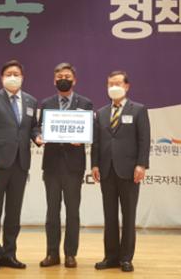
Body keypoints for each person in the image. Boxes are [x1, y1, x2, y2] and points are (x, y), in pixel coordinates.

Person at [0, 59, 42, 271]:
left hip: (20, 164)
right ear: (2, 78)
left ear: (23, 77)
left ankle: (9, 253)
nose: (12, 77)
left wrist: (38, 136)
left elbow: (33, 127)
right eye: (8, 74)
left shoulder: (31, 101)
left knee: (14, 213)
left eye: (16, 74)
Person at [91, 70, 150, 273]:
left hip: (129, 171)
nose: (113, 87)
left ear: (127, 86)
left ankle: (126, 258)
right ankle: (111, 257)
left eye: (117, 83)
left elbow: (144, 139)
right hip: (106, 170)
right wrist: (94, 164)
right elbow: (96, 142)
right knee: (109, 216)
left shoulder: (138, 110)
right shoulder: (101, 113)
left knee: (128, 215)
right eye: (110, 84)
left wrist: (141, 164)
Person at [37, 62, 93, 268]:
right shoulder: (46, 103)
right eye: (60, 76)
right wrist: (38, 137)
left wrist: (84, 138)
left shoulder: (85, 103)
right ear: (54, 80)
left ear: (74, 80)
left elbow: (92, 129)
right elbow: (37, 128)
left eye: (67, 77)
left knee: (72, 212)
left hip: (74, 166)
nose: (64, 79)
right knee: (52, 212)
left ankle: (70, 254)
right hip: (51, 165)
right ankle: (52, 254)